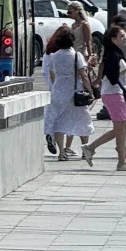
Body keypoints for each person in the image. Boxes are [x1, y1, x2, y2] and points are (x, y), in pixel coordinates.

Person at [83, 24, 126, 170]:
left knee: (123, 126)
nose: (124, 39)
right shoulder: (113, 55)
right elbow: (113, 77)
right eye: (121, 37)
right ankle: (122, 161)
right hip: (113, 93)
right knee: (121, 127)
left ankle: (91, 147)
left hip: (114, 93)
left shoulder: (114, 52)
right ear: (113, 39)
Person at [41, 25, 93, 161]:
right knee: (82, 118)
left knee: (59, 121)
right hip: (75, 90)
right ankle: (85, 149)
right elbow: (83, 75)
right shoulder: (76, 55)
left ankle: (62, 152)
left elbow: (52, 76)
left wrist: (57, 86)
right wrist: (90, 90)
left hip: (59, 90)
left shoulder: (54, 56)